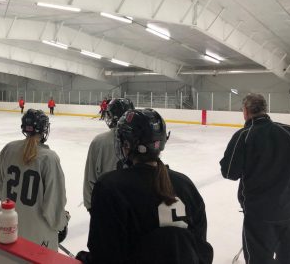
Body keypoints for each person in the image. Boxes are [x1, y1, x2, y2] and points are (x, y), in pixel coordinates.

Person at [77, 109, 214, 264]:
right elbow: (201, 250)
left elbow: (105, 255)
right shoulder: (186, 185)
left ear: (127, 144)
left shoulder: (110, 187)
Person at [220, 93, 290, 264]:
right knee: (288, 257)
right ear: (265, 109)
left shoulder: (243, 136)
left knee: (259, 259)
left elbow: (229, 172)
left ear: (245, 111)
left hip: (259, 214)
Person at [0, 109, 69, 251]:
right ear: (44, 130)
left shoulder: (8, 149)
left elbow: (1, 189)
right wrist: (62, 223)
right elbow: (53, 206)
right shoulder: (49, 158)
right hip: (39, 236)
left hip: (9, 229)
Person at [83, 98, 134, 211]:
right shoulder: (140, 139)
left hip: (106, 207)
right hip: (135, 208)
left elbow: (90, 179)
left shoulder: (99, 141)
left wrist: (90, 207)